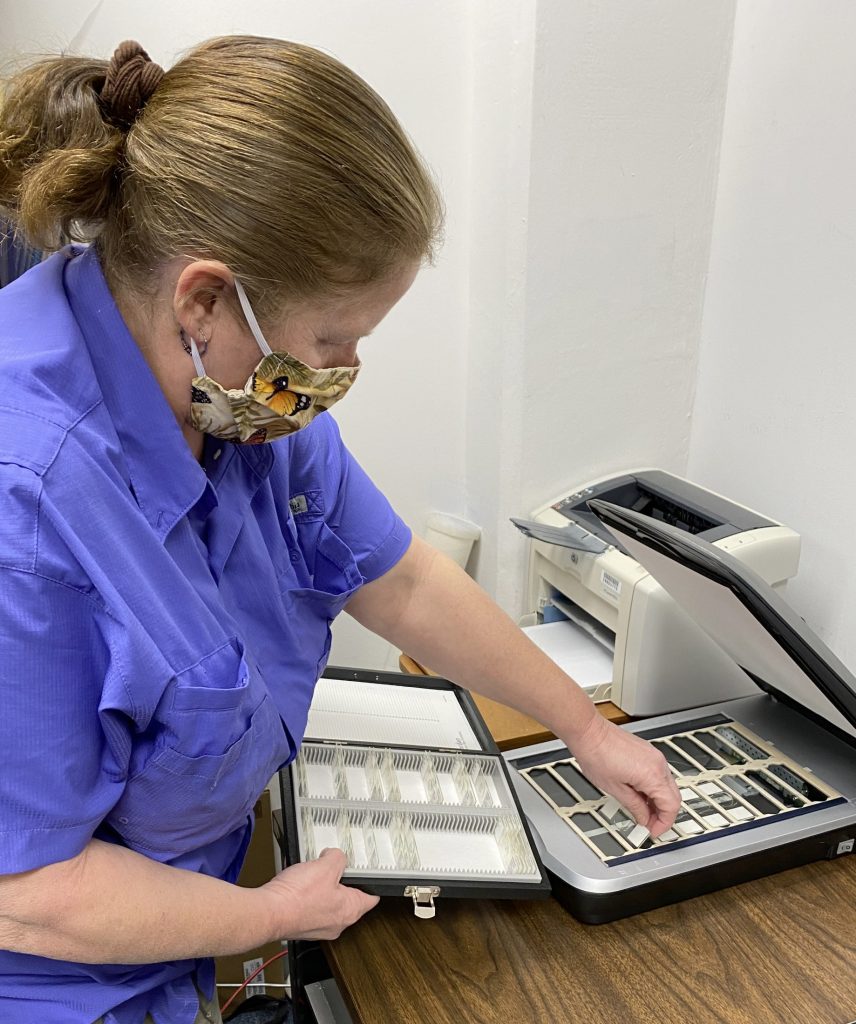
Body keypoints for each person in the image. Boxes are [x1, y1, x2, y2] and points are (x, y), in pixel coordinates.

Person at [0, 36, 681, 1024]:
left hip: (177, 926)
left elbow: (397, 579)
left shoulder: (237, 396)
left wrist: (582, 726)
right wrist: (264, 913)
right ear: (204, 296)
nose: (342, 370)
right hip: (59, 978)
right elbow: (28, 890)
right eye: (331, 342)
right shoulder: (30, 508)